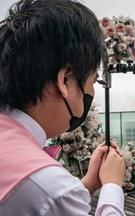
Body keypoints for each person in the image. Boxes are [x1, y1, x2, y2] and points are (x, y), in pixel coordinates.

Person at [0, 0, 125, 215]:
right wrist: (112, 185)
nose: (92, 93)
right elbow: (49, 195)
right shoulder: (48, 185)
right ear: (64, 80)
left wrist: (85, 184)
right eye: (92, 81)